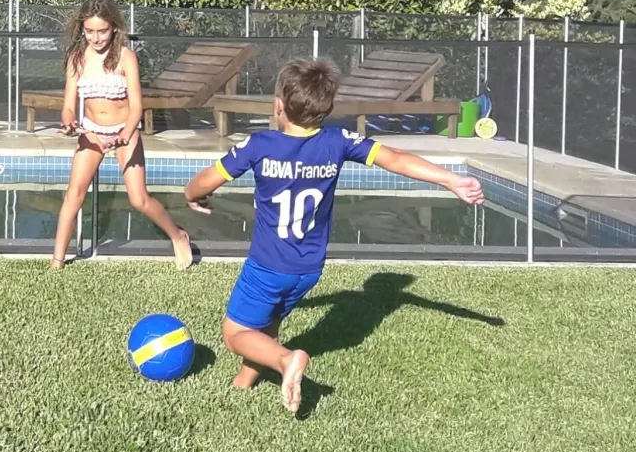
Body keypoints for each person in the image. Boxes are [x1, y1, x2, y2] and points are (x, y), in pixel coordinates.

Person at [184, 58, 484, 414]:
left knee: (236, 335)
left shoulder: (259, 145)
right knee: (266, 323)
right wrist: (452, 180)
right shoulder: (338, 142)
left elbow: (205, 181)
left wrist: (191, 195)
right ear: (327, 107)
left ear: (278, 104)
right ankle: (243, 384)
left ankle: (286, 361)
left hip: (267, 265)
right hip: (308, 269)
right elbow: (397, 158)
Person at [50, 0, 197, 272]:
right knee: (73, 195)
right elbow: (68, 106)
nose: (96, 37)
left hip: (124, 132)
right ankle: (56, 261)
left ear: (114, 27)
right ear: (82, 28)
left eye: (102, 31)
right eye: (89, 31)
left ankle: (178, 235)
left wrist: (125, 135)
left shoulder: (125, 57)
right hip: (91, 133)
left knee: (138, 199)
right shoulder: (77, 58)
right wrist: (69, 123)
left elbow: (136, 108)